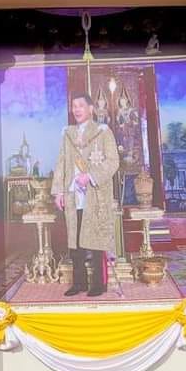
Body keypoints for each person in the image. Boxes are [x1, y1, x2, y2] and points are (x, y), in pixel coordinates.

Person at [51, 91, 119, 298]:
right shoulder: (68, 134)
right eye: (74, 106)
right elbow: (61, 163)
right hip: (73, 195)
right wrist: (58, 191)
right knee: (75, 241)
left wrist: (90, 176)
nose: (77, 110)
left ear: (91, 109)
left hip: (95, 195)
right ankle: (79, 283)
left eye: (81, 105)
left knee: (96, 240)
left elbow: (113, 162)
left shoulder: (103, 131)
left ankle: (98, 284)